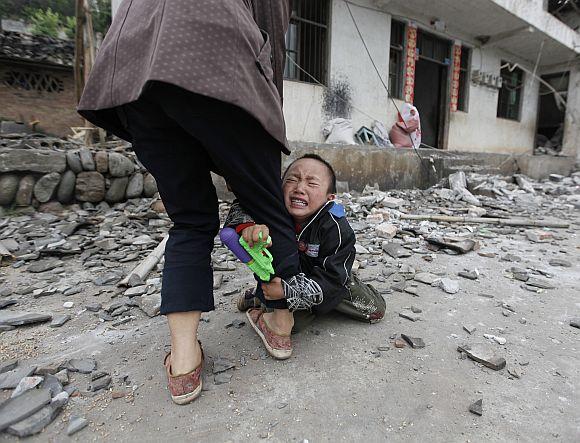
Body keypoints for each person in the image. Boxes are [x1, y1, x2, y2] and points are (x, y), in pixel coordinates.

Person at [76, 0, 323, 406]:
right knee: (265, 205)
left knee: (190, 220)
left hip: (137, 73)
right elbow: (271, 41)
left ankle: (184, 362)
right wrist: (266, 117)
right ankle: (280, 322)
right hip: (220, 62)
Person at [224, 154, 386, 338]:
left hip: (329, 278)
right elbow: (243, 204)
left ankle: (265, 295)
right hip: (287, 274)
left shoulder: (336, 228)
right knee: (294, 326)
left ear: (329, 197)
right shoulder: (274, 209)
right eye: (292, 180)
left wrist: (288, 291)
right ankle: (262, 295)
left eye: (312, 183)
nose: (299, 188)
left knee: (375, 310)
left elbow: (333, 279)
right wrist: (247, 227)